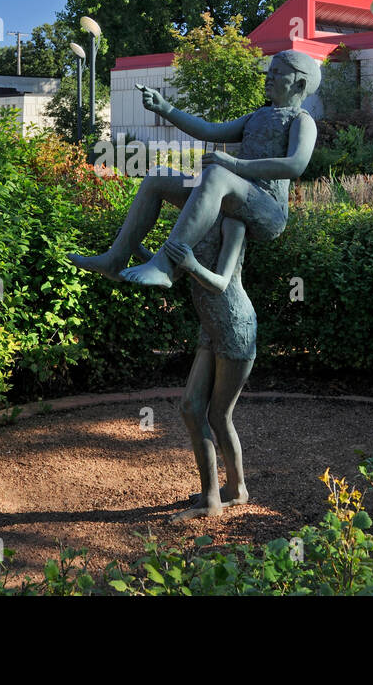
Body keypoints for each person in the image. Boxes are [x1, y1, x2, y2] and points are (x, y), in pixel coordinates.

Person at [68, 49, 320, 286]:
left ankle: (165, 265)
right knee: (159, 176)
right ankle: (115, 259)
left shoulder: (302, 120)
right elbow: (209, 130)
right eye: (270, 70)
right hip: (230, 195)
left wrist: (233, 164)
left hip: (268, 210)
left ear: (300, 84)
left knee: (217, 173)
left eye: (278, 72)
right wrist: (165, 108)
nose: (269, 76)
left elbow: (295, 165)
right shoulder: (257, 116)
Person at [165, 215, 255, 522]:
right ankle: (226, 491)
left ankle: (221, 494)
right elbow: (174, 274)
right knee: (192, 408)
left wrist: (190, 262)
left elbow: (220, 283)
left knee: (218, 414)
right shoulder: (200, 220)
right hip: (211, 328)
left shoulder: (233, 222)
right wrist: (135, 250)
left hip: (234, 326)